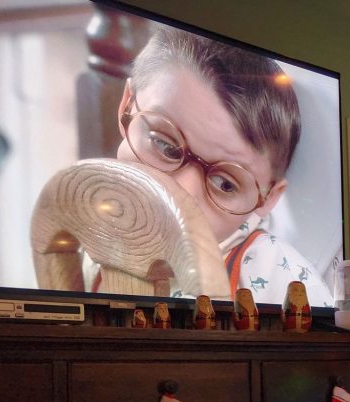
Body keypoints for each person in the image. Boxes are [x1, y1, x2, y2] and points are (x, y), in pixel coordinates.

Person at [112, 26, 333, 306]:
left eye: (226, 184)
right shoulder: (81, 222)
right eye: (164, 146)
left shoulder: (283, 283)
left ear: (269, 197)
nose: (182, 192)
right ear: (126, 107)